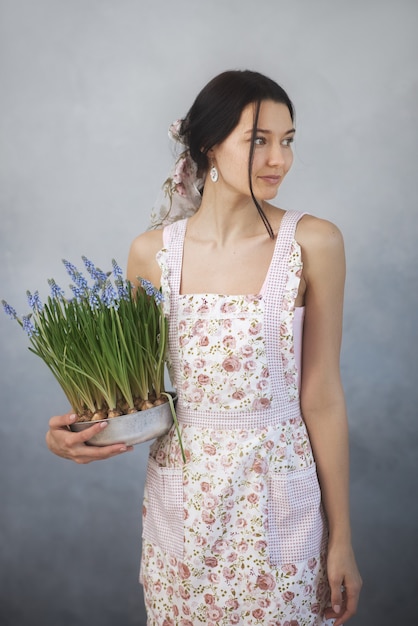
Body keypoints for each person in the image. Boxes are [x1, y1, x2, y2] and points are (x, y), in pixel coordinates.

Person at [46, 69, 362, 625]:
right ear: (210, 145)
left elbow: (323, 397)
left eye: (287, 141)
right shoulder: (150, 255)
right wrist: (74, 433)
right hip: (182, 512)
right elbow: (135, 395)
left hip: (279, 511)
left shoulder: (314, 243)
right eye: (258, 140)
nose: (278, 159)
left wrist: (341, 540)